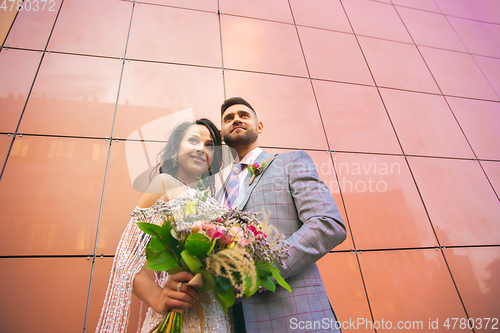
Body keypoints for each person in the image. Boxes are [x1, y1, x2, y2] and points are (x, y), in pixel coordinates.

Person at [217, 97, 346, 332]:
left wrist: (261, 271)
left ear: (260, 127)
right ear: (222, 134)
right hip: (234, 320)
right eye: (228, 118)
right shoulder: (218, 192)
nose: (236, 119)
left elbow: (327, 224)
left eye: (243, 115)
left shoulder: (292, 161)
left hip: (293, 316)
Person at [96, 118, 232, 333]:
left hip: (216, 314)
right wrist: (157, 296)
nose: (200, 148)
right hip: (181, 313)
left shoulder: (211, 200)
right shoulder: (164, 184)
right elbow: (125, 258)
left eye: (209, 145)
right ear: (176, 149)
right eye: (193, 140)